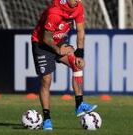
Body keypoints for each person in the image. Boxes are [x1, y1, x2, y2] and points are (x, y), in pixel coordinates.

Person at [31, 0, 97, 130]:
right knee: (46, 80)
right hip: (42, 44)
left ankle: (79, 104)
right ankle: (47, 119)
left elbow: (80, 32)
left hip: (59, 41)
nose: (77, 1)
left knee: (77, 64)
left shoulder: (78, 7)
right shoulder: (54, 12)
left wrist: (79, 54)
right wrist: (58, 50)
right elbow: (46, 38)